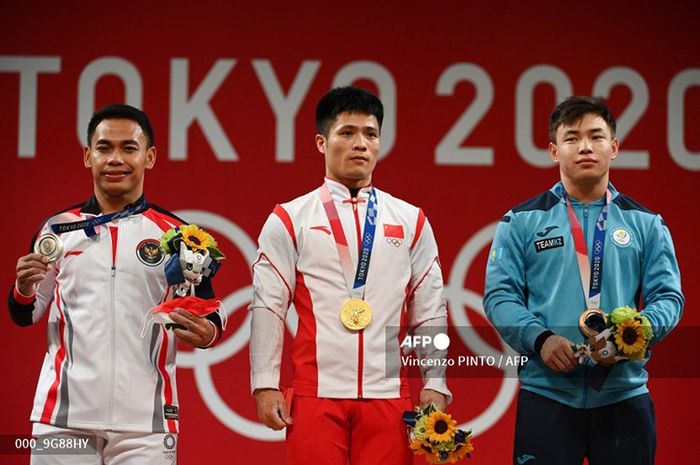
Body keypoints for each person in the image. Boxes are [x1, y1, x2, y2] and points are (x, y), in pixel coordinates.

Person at [9, 104, 224, 464]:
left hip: (147, 425)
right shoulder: (58, 230)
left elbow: (212, 313)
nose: (115, 159)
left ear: (149, 157)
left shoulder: (177, 234)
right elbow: (24, 313)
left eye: (129, 148)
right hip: (63, 417)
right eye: (104, 148)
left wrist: (208, 332)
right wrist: (24, 288)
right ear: (87, 156)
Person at [249, 86, 451, 465]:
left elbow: (430, 312)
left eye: (370, 134)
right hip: (316, 397)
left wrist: (435, 383)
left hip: (390, 397)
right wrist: (264, 383)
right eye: (347, 133)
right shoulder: (290, 219)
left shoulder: (411, 220)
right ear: (321, 142)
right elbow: (268, 307)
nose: (361, 144)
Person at [484, 96, 684, 465]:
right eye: (572, 138)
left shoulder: (646, 224)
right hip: (547, 395)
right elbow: (500, 296)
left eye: (596, 136)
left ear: (615, 147)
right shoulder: (521, 221)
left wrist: (634, 335)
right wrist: (540, 339)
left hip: (624, 395)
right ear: (553, 151)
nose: (586, 147)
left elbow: (669, 298)